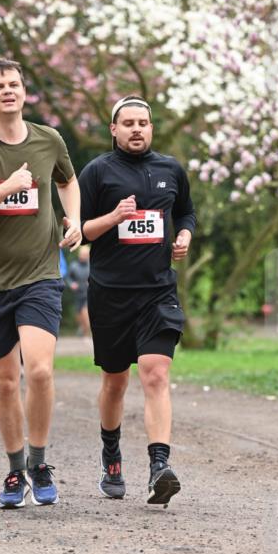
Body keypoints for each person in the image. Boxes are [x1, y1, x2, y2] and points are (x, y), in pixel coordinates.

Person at [0, 57, 82, 507]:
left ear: (24, 92)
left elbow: (68, 180)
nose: (8, 90)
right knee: (5, 381)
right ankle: (14, 470)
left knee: (41, 371)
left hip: (39, 275)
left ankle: (40, 461)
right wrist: (7, 187)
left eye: (14, 84)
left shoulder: (49, 140)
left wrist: (75, 218)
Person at [79, 94, 196, 506]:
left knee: (155, 374)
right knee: (115, 381)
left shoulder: (170, 169)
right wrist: (113, 218)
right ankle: (111, 456)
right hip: (110, 294)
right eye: (127, 123)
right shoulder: (97, 172)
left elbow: (186, 213)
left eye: (142, 123)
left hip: (158, 292)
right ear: (114, 129)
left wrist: (183, 235)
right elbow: (80, 231)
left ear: (151, 128)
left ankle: (158, 467)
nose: (136, 129)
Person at [67, 244, 91, 338]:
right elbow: (68, 277)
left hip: (88, 293)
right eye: (82, 254)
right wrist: (72, 284)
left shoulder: (92, 265)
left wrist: (91, 282)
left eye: (86, 255)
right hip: (78, 293)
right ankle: (82, 328)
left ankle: (86, 333)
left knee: (85, 311)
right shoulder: (74, 266)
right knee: (78, 314)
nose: (83, 256)